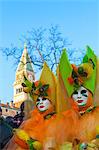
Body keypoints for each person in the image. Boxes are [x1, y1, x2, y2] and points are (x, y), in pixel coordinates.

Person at [4, 62, 57, 150]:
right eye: (38, 100)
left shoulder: (59, 120)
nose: (40, 103)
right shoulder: (31, 121)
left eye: (44, 99)